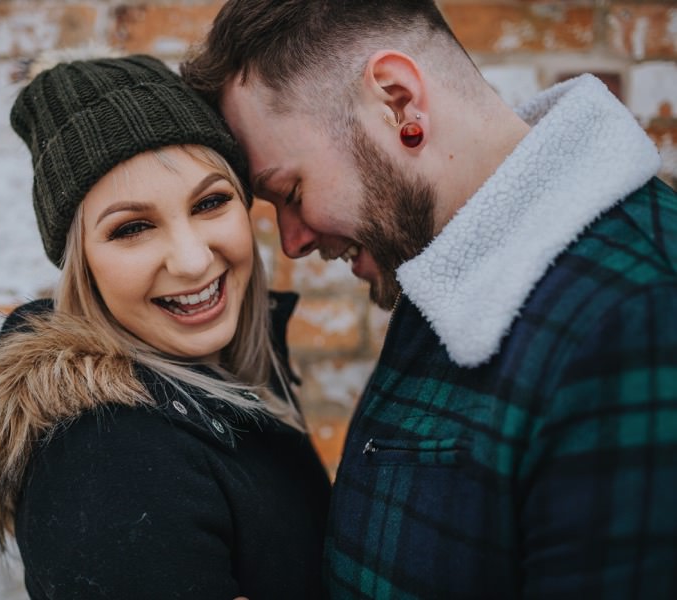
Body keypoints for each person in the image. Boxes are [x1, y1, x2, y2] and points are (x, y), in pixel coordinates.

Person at [181, 0, 677, 598]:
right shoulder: (446, 265)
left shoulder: (639, 314)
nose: (293, 242)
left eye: (291, 190)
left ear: (397, 100)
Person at [0, 54, 330, 599]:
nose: (190, 260)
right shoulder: (105, 460)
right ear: (82, 263)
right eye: (132, 228)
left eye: (211, 202)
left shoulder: (231, 378)